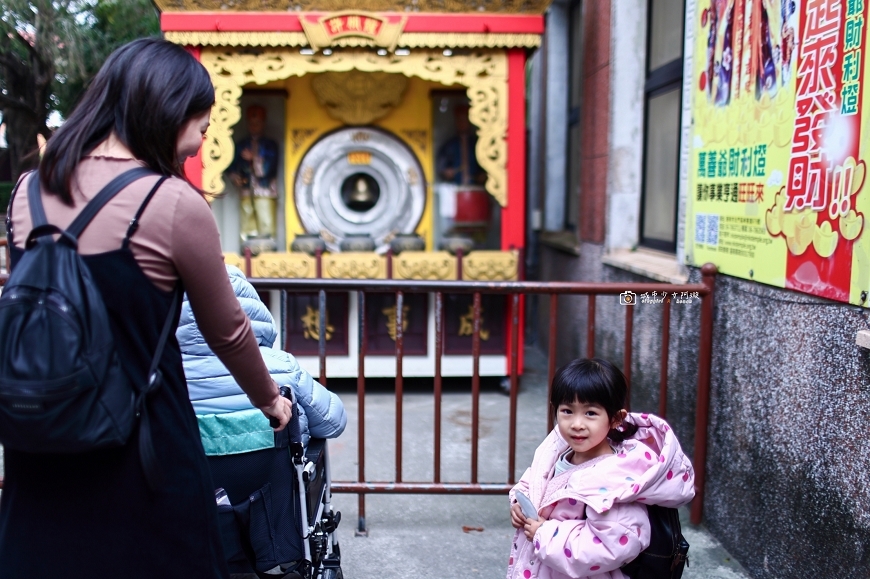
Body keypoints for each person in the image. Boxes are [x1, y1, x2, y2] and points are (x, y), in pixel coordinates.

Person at [0, 38, 292, 579]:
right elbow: (226, 330)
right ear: (170, 109)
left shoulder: (27, 192)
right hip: (140, 442)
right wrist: (270, 401)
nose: (199, 146)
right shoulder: (172, 202)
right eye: (201, 130)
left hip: (40, 430)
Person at [506, 358, 695, 579]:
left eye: (590, 413)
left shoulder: (616, 481)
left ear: (615, 418)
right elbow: (534, 481)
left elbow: (612, 545)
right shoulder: (555, 452)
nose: (577, 423)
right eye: (567, 411)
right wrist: (520, 503)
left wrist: (545, 534)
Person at [178, 264, 347, 449]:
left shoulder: (162, 375)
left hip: (188, 476)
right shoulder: (282, 367)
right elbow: (334, 423)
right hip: (272, 477)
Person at [226, 105, 279, 242]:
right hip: (246, 188)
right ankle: (248, 249)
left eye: (257, 123)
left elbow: (271, 167)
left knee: (265, 219)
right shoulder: (241, 144)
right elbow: (231, 165)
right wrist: (234, 176)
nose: (254, 126)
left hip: (264, 188)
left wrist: (254, 159)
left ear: (263, 123)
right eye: (251, 123)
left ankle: (267, 249)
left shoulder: (270, 145)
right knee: (247, 220)